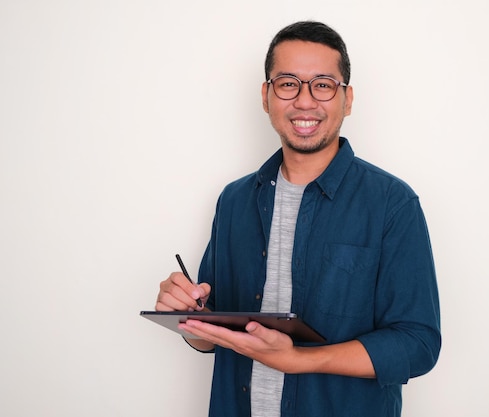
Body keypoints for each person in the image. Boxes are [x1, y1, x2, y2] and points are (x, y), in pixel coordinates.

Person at [155, 20, 441, 417]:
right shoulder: (235, 200)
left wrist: (299, 360)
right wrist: (188, 316)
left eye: (323, 84)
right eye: (288, 83)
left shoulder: (392, 203)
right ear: (266, 95)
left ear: (348, 98)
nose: (305, 101)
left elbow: (418, 344)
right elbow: (214, 337)